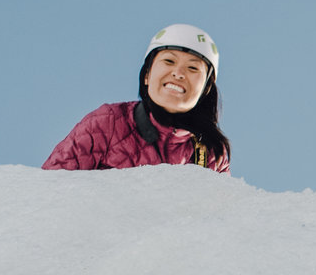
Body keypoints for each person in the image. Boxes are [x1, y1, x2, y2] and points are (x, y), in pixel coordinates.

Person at [43, 24, 232, 174]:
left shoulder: (211, 154)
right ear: (147, 75)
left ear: (206, 89)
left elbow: (221, 220)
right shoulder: (107, 123)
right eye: (169, 61)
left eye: (192, 68)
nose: (178, 73)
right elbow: (52, 190)